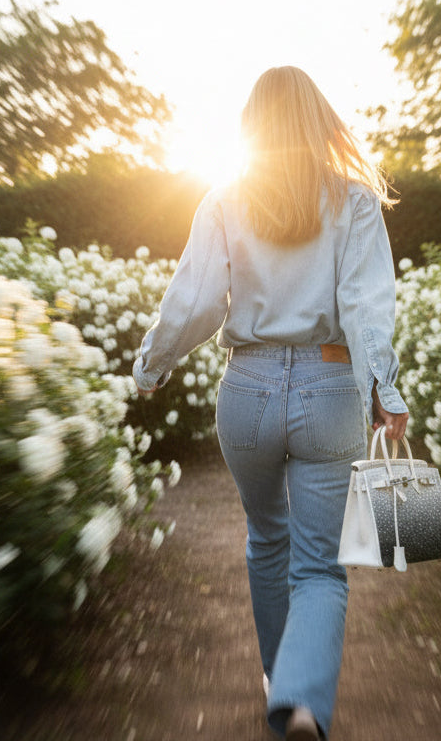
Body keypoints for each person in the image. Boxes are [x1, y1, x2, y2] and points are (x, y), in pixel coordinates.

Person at [133, 66, 409, 740]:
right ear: (320, 122)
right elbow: (365, 307)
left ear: (251, 129)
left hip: (248, 392)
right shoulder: (354, 201)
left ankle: (277, 680)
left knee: (266, 539)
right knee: (320, 566)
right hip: (331, 386)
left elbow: (195, 301)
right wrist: (388, 390)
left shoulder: (224, 201)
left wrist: (153, 365)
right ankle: (303, 699)